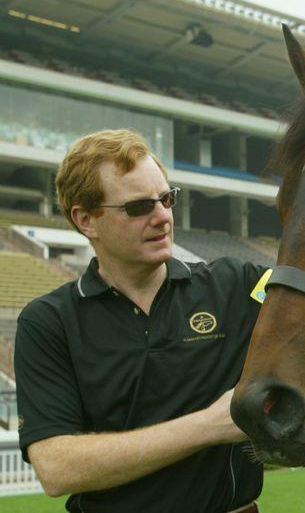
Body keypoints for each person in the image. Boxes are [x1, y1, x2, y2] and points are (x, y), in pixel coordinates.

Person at [14, 129, 267, 512]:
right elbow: (56, 467)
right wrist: (210, 425)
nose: (163, 217)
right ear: (86, 220)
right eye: (139, 207)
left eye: (167, 199)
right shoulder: (48, 323)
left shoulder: (238, 285)